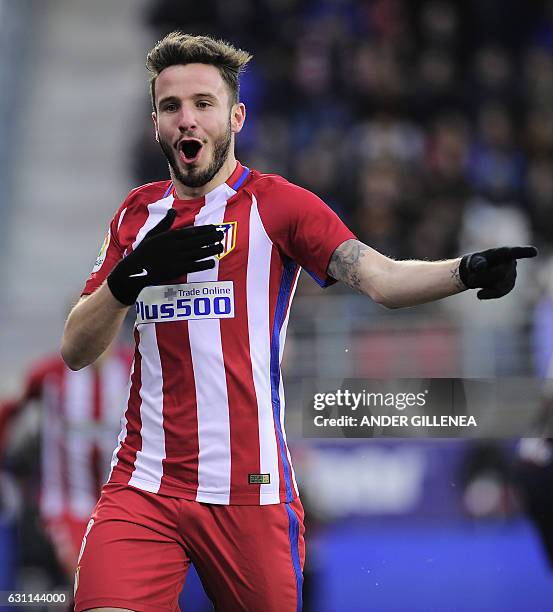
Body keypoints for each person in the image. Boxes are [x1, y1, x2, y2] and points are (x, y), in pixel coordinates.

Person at [60, 32, 537, 612]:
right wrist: (128, 278)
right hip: (144, 486)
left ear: (236, 115)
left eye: (203, 104)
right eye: (171, 107)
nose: (187, 120)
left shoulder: (279, 206)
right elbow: (76, 348)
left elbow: (380, 280)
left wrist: (465, 270)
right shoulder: (137, 216)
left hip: (251, 492)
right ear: (156, 122)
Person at [0, 345, 132, 583]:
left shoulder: (133, 365)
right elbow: (10, 408)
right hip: (65, 507)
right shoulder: (49, 373)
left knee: (116, 582)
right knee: (88, 578)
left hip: (123, 504)